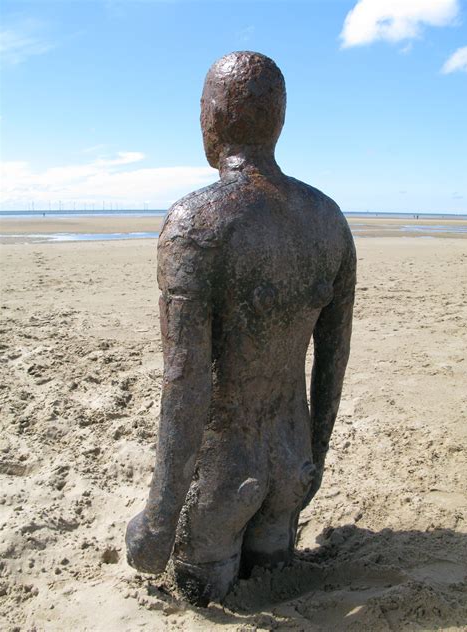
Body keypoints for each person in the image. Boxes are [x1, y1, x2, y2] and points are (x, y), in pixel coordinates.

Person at [126, 51, 356, 605]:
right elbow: (333, 359)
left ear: (213, 117)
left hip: (224, 477)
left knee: (204, 588)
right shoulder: (327, 219)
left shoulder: (195, 221)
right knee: (271, 564)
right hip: (291, 458)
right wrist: (313, 464)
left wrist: (158, 518)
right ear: (277, 119)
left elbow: (186, 384)